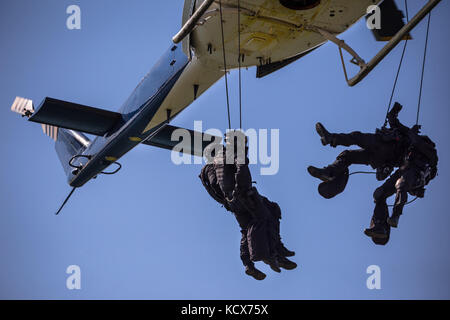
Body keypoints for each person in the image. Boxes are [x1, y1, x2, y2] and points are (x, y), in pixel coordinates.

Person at [199, 132, 296, 280]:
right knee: (265, 217)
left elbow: (214, 188)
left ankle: (250, 264)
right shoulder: (227, 157)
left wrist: (227, 200)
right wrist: (242, 188)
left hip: (232, 201)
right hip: (242, 195)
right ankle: (271, 254)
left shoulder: (209, 170)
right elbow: (241, 169)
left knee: (249, 227)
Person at [364, 104, 438, 239]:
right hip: (404, 171)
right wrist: (394, 112)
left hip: (415, 174)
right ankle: (379, 227)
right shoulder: (411, 144)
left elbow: (415, 140)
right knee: (379, 194)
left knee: (401, 184)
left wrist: (411, 133)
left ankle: (396, 215)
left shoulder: (430, 154)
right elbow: (396, 125)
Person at [307, 102, 410, 199]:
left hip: (382, 147)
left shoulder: (408, 138)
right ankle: (328, 172)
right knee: (348, 155)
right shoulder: (406, 139)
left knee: (357, 137)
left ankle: (331, 139)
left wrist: (395, 110)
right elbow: (393, 120)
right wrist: (394, 111)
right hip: (377, 158)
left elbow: (393, 120)